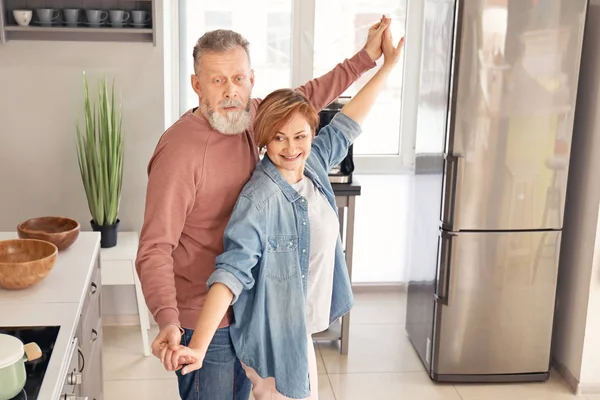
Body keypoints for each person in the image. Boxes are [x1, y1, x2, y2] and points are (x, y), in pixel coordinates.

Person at [136, 20, 391, 400]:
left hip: (248, 308)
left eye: (238, 78)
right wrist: (168, 320)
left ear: (252, 79)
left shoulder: (246, 116)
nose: (230, 91)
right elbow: (154, 248)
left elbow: (304, 99)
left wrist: (367, 59)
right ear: (197, 85)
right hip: (205, 315)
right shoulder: (180, 153)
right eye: (217, 80)